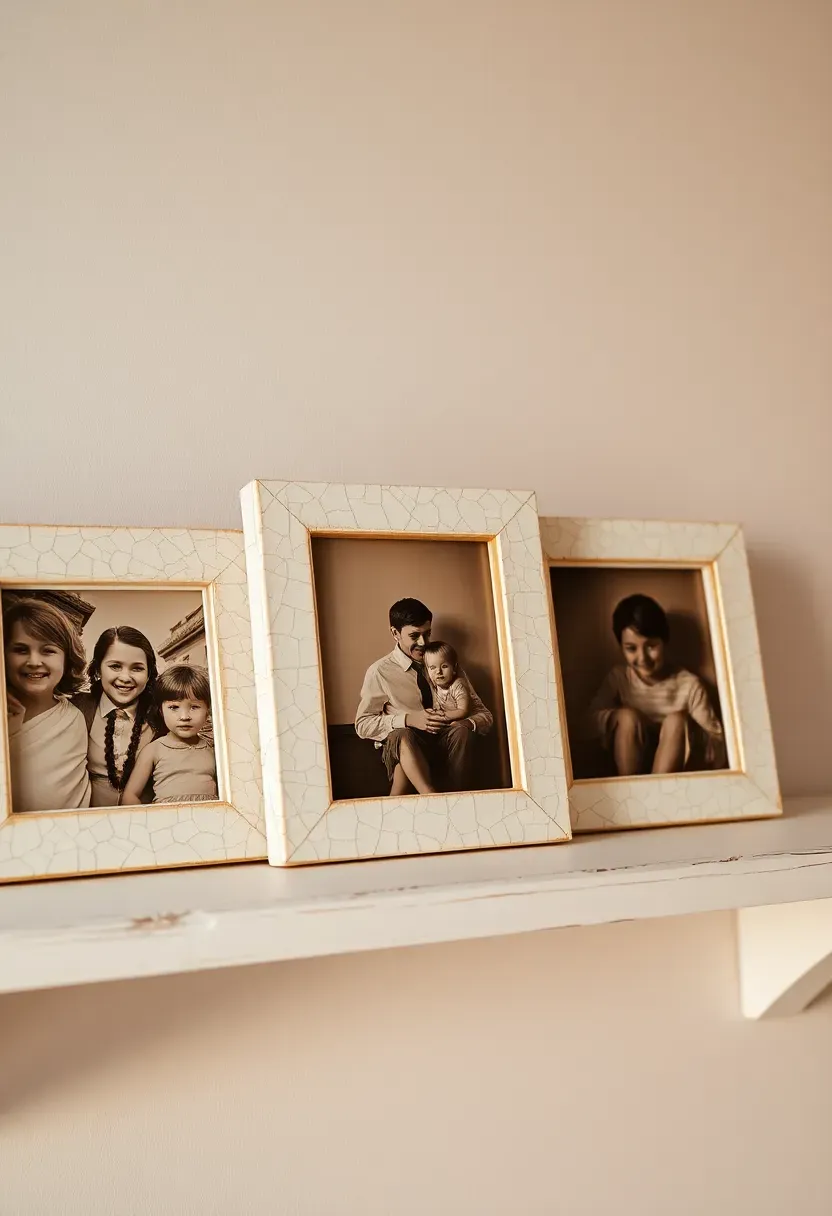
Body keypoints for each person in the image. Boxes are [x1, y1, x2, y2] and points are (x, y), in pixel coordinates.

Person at [354, 598, 492, 796]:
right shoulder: (379, 672)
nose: (423, 643)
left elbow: (484, 714)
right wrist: (409, 719)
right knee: (402, 733)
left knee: (462, 731)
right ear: (395, 633)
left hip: (447, 746)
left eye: (427, 634)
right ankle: (430, 795)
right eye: (414, 635)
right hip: (407, 748)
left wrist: (466, 723)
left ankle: (456, 798)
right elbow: (362, 724)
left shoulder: (445, 666)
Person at [588, 593, 724, 776]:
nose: (642, 658)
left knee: (676, 721)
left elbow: (717, 741)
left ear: (664, 642)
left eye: (651, 646)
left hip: (674, 770)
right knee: (627, 718)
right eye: (631, 648)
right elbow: (587, 724)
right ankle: (631, 789)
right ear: (621, 647)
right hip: (632, 761)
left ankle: (659, 788)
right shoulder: (619, 678)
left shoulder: (689, 685)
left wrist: (685, 729)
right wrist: (620, 718)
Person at [3, 597, 91, 812]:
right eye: (21, 650)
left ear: (67, 659)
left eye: (48, 650)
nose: (34, 661)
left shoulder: (73, 719)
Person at [73, 626, 159, 807]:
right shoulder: (76, 709)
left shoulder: (162, 717)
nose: (125, 677)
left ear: (149, 674)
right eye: (115, 666)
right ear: (97, 669)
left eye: (137, 668)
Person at [121, 665, 217, 805]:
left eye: (194, 707)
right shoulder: (154, 750)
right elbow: (130, 795)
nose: (184, 717)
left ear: (207, 710)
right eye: (174, 707)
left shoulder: (213, 749)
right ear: (161, 710)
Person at [423, 640, 490, 725]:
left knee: (459, 726)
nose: (438, 671)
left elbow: (463, 711)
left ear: (454, 669)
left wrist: (440, 717)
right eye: (433, 668)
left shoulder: (458, 684)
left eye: (444, 666)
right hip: (453, 718)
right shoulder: (434, 684)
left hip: (475, 717)